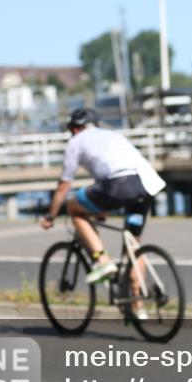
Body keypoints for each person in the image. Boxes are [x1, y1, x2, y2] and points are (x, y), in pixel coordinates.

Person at [39, 108, 167, 319]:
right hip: (145, 185)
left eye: (72, 130)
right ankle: (138, 306)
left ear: (76, 128)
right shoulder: (113, 135)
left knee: (73, 207)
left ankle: (102, 261)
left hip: (117, 185)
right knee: (134, 245)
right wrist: (100, 210)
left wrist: (50, 216)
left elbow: (64, 186)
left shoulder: (76, 142)